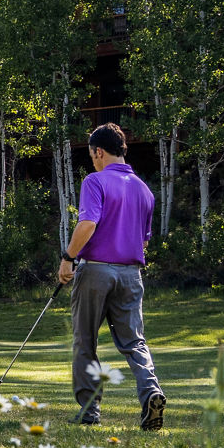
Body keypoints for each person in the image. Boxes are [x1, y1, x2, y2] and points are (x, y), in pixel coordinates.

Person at [57, 122, 166, 430]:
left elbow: (88, 223)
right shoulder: (144, 190)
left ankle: (90, 411)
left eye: (92, 155)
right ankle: (152, 393)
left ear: (99, 152)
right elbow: (144, 241)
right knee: (134, 342)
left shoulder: (95, 181)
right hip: (132, 275)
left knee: (85, 341)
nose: (93, 161)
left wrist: (68, 258)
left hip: (96, 271)